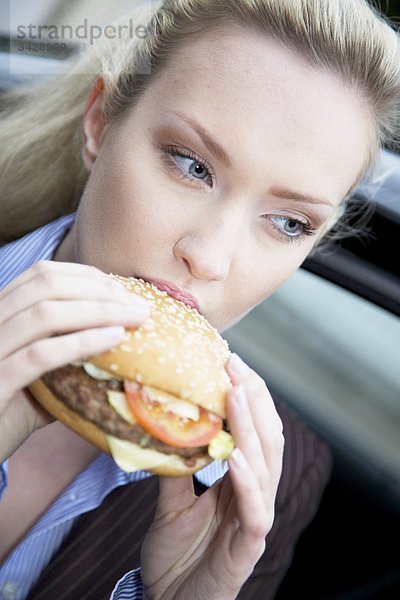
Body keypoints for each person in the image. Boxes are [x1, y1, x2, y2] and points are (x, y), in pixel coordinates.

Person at [0, 0, 399, 598]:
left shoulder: (269, 486)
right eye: (191, 165)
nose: (209, 258)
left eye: (288, 223)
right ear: (100, 123)